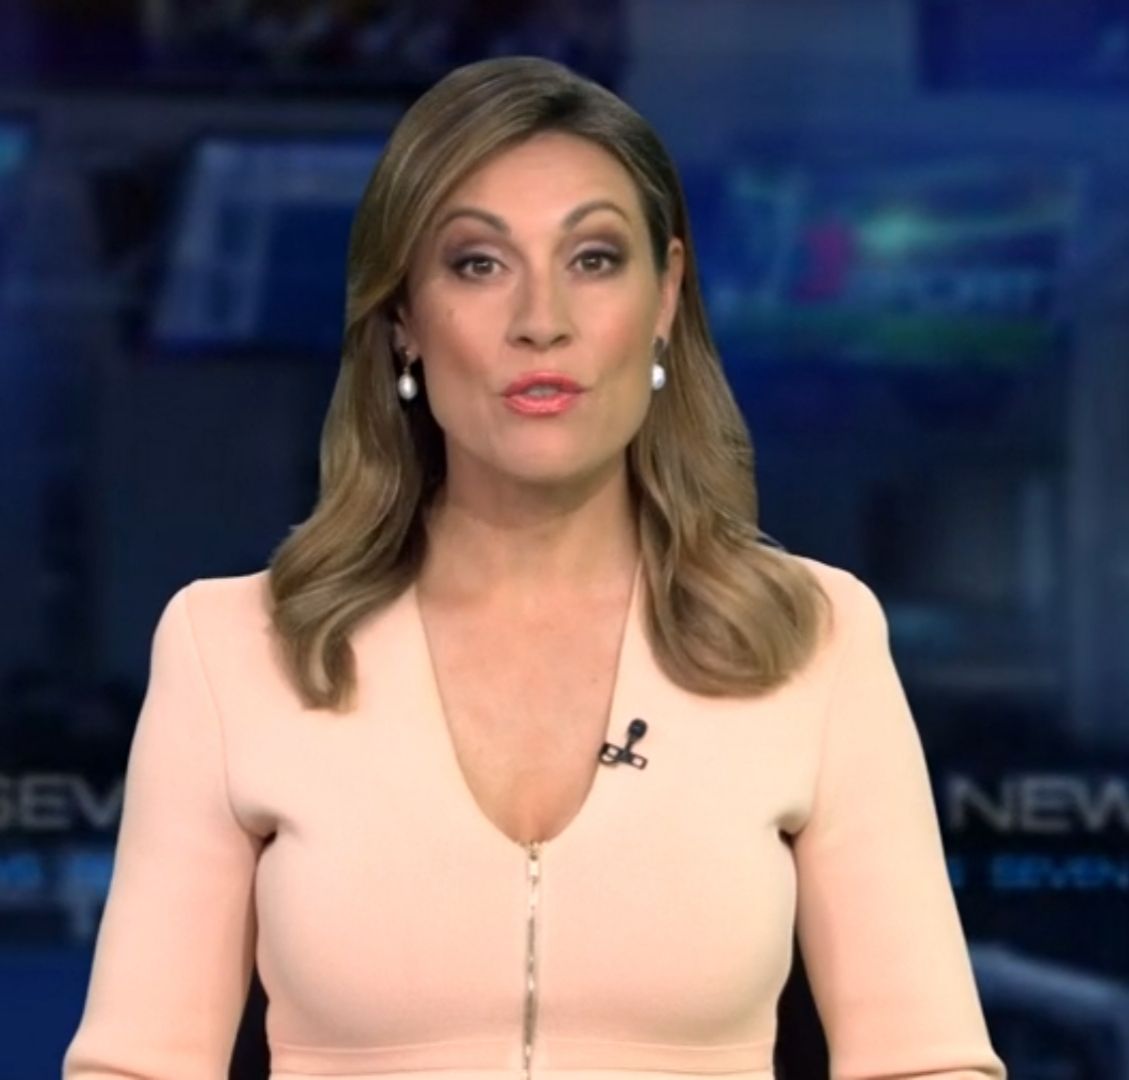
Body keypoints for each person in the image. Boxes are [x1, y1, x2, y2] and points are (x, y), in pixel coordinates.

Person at [62, 55, 1007, 1080]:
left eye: (593, 258)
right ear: (403, 319)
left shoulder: (814, 636)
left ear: (665, 294)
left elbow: (926, 1062)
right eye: (478, 263)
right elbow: (135, 1067)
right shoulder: (232, 648)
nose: (540, 319)